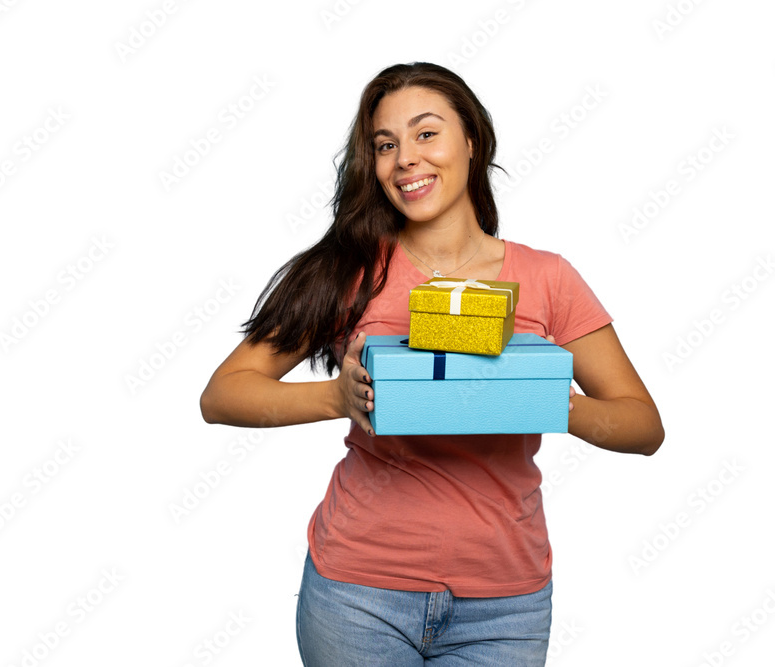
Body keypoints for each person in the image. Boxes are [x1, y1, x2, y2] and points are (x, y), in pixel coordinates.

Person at [199, 62, 664, 666]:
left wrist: (544, 396)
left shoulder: (549, 278)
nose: (404, 159)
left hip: (506, 605)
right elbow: (223, 395)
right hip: (358, 594)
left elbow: (644, 427)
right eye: (385, 145)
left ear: (472, 139)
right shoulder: (350, 272)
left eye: (426, 134)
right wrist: (338, 400)